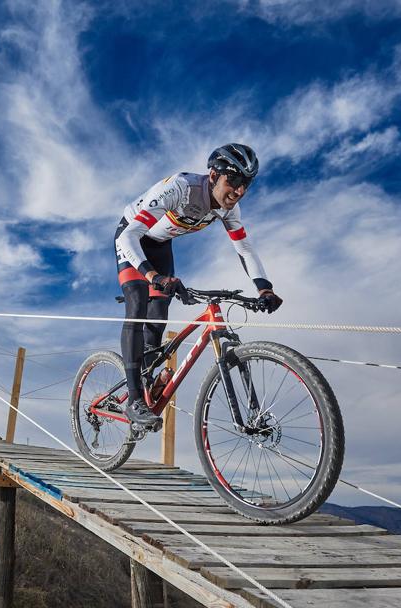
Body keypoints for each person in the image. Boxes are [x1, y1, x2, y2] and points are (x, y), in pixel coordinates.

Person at [114, 143, 283, 429]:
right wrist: (152, 276)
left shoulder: (230, 209)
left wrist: (264, 288)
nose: (240, 191)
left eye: (247, 184)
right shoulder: (181, 188)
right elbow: (128, 238)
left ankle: (148, 381)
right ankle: (134, 399)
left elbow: (244, 248)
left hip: (161, 245)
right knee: (139, 302)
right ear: (214, 175)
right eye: (235, 181)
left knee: (157, 317)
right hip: (133, 238)